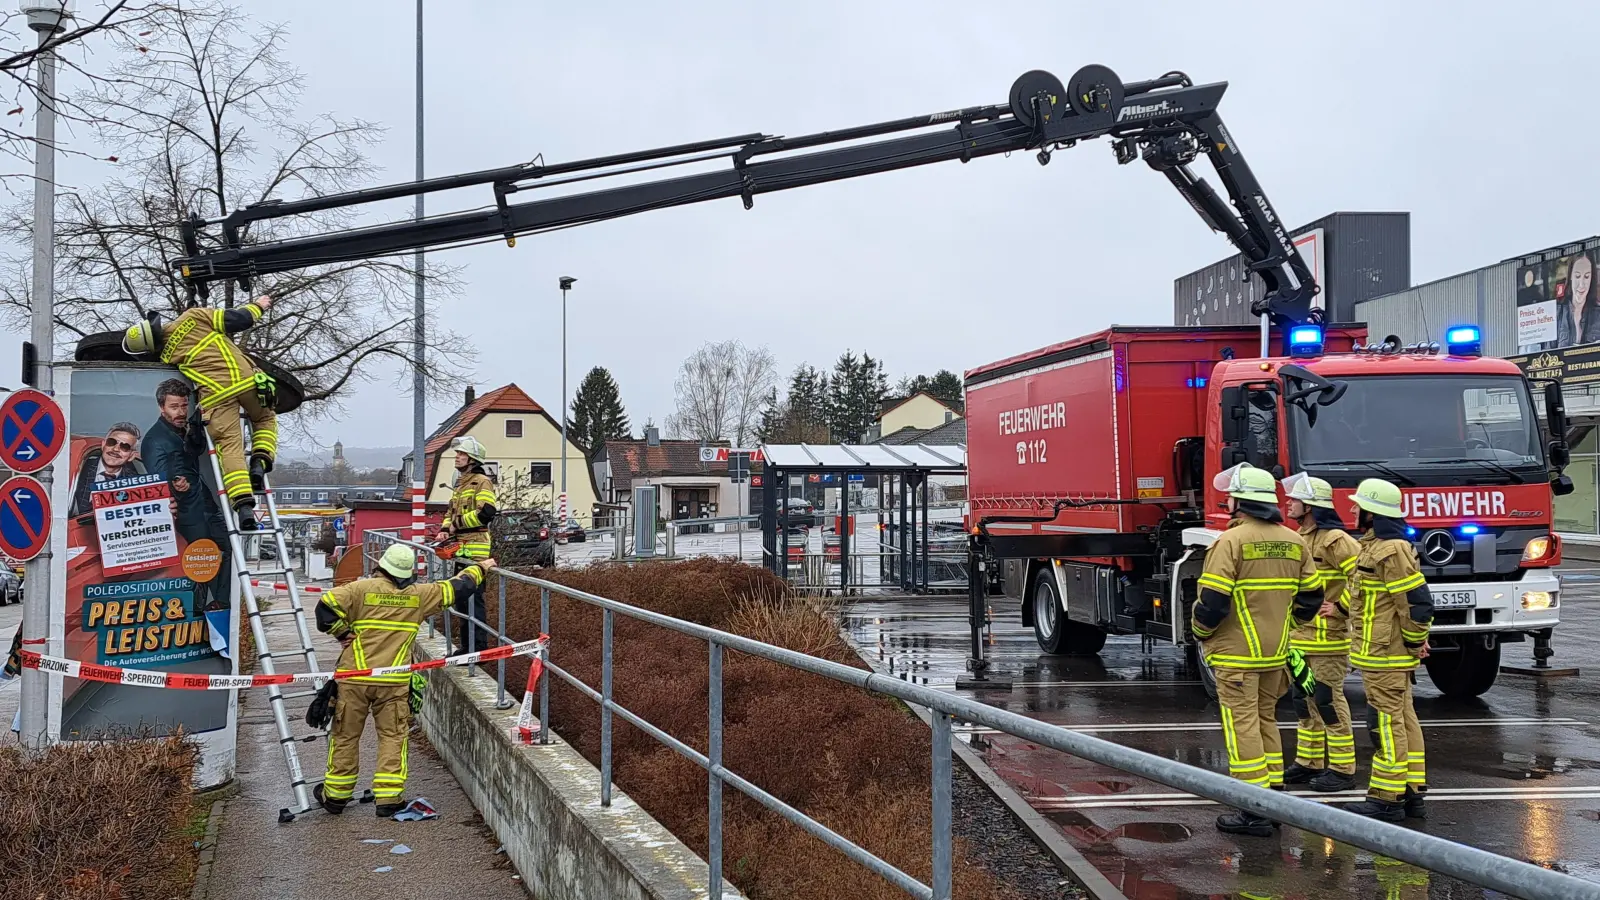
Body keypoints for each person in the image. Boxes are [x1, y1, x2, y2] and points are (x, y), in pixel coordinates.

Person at [313, 543, 496, 816]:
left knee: (345, 737)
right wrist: (481, 567)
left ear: (381, 566)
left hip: (354, 679)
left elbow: (325, 608)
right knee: (393, 737)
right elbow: (458, 587)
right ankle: (388, 799)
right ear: (408, 573)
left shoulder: (359, 590)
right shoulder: (419, 595)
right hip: (394, 682)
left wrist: (341, 632)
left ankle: (336, 797)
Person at [1192, 462, 1322, 837]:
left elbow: (1212, 602)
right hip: (1275, 654)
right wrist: (1288, 626)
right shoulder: (1294, 540)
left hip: (1236, 655)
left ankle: (1252, 808)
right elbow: (1312, 597)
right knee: (1266, 719)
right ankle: (1272, 795)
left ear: (1238, 502)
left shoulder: (1229, 542)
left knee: (1242, 725)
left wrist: (1201, 631)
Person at [121, 294, 279, 530]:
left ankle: (244, 506)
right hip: (247, 381)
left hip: (215, 397)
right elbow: (239, 319)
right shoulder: (194, 316)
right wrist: (260, 305)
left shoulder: (168, 356)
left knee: (230, 448)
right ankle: (259, 461)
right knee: (265, 419)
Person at [1345, 477, 1434, 822]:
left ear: (1372, 512)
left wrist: (1414, 640)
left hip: (1385, 654)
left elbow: (1416, 602)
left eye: (1359, 505)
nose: (1352, 509)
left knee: (1385, 722)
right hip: (1383, 652)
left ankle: (1387, 797)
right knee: (1402, 718)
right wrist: (1414, 639)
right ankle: (1411, 792)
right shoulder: (1377, 546)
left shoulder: (1389, 550)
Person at [1279, 472, 1362, 793]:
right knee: (1303, 700)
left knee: (1327, 700)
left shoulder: (1336, 541)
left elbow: (1365, 575)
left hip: (1329, 639)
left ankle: (1342, 769)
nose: (1288, 503)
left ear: (1310, 506)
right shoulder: (1301, 537)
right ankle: (1308, 763)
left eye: (1295, 500)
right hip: (1300, 638)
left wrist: (1340, 607)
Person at [143, 378, 232, 611]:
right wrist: (174, 486)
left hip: (206, 505)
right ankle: (197, 611)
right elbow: (158, 477)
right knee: (201, 559)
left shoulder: (186, 428)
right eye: (174, 407)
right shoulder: (154, 440)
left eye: (184, 406)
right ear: (162, 407)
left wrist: (196, 427)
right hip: (186, 513)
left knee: (228, 548)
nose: (180, 412)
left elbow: (194, 451)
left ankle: (220, 603)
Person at [436, 436, 499, 658]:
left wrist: (456, 525)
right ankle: (466, 647)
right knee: (462, 600)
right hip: (461, 549)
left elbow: (487, 513)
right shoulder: (461, 484)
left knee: (473, 601)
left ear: (472, 459)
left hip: (475, 549)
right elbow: (450, 512)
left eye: (461, 454)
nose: (457, 457)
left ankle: (477, 649)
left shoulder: (482, 482)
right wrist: (445, 529)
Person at [68, 422, 148, 517]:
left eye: (124, 447)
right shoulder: (79, 469)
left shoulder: (138, 485)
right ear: (103, 445)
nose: (115, 449)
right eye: (111, 442)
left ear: (131, 456)